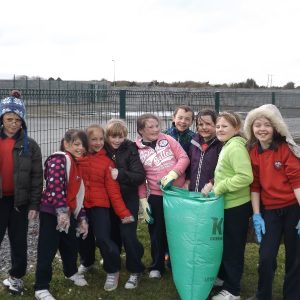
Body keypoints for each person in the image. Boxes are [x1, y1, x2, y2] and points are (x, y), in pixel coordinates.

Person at [243, 104, 300, 300]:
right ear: (251, 128)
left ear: (276, 127)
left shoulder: (286, 149)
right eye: (257, 125)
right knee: (266, 257)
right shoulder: (253, 152)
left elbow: (297, 183)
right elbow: (255, 185)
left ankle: (292, 295)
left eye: (267, 124)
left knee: (295, 257)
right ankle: (263, 295)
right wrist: (257, 214)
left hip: (293, 208)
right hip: (270, 211)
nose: (261, 129)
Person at [78, 124, 134, 292]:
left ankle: (112, 269)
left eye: (101, 139)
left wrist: (123, 213)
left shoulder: (107, 162)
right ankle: (87, 262)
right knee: (83, 237)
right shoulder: (78, 158)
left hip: (100, 207)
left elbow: (113, 191)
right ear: (86, 140)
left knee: (102, 238)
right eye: (93, 139)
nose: (98, 143)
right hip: (81, 207)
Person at [34, 129, 89, 300]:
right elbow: (55, 187)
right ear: (66, 144)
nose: (81, 148)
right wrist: (61, 212)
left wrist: (81, 218)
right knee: (47, 249)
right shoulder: (59, 159)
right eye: (76, 144)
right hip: (52, 213)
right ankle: (41, 287)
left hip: (68, 213)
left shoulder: (77, 164)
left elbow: (79, 196)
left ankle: (71, 272)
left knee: (70, 245)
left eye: (83, 145)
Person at [205, 111, 253, 300]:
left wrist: (221, 187)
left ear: (236, 128)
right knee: (225, 245)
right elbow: (226, 172)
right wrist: (214, 184)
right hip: (227, 204)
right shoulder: (228, 145)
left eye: (225, 126)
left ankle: (233, 291)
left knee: (233, 248)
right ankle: (224, 279)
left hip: (237, 206)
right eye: (218, 126)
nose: (220, 129)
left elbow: (245, 176)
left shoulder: (235, 148)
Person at [136, 113, 190, 279]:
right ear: (140, 131)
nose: (155, 129)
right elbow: (140, 178)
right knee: (157, 232)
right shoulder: (136, 149)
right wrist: (143, 201)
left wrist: (174, 174)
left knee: (179, 231)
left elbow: (184, 158)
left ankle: (177, 263)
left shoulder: (168, 139)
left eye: (157, 125)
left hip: (178, 194)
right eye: (150, 127)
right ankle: (157, 266)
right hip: (157, 196)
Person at [0, 92, 43, 294]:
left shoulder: (30, 145)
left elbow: (36, 178)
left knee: (19, 242)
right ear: (2, 118)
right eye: (9, 119)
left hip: (20, 202)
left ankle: (16, 278)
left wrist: (34, 205)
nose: (13, 123)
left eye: (18, 119)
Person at [104, 119, 146, 289]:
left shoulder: (130, 148)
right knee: (113, 235)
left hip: (128, 198)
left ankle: (135, 270)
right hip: (109, 199)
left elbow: (139, 176)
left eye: (120, 137)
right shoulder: (102, 148)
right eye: (113, 137)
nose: (116, 140)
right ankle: (115, 264)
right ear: (107, 136)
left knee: (128, 235)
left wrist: (120, 174)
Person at [186, 108, 223, 192]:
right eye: (200, 124)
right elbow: (189, 166)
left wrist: (213, 183)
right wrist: (187, 180)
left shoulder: (221, 144)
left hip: (212, 193)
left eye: (208, 124)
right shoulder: (193, 143)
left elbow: (224, 171)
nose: (204, 127)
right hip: (193, 192)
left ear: (216, 124)